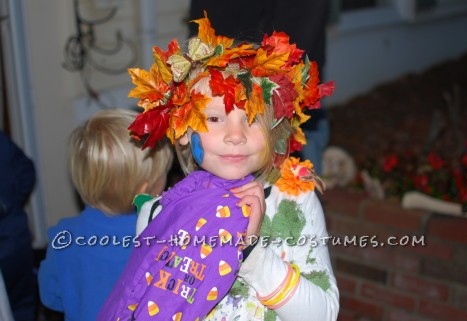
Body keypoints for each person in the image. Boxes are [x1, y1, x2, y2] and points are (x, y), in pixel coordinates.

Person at [98, 13, 338, 321]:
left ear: (273, 130)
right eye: (214, 119)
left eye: (251, 119)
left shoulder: (294, 202)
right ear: (184, 130)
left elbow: (324, 315)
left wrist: (251, 253)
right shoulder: (158, 214)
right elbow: (142, 301)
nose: (236, 136)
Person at [38, 109, 174, 321]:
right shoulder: (161, 236)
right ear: (143, 190)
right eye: (163, 174)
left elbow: (50, 296)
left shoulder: (62, 236)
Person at [188, 0, 332, 173]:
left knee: (293, 178)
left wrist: (282, 79)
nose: (236, 136)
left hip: (282, 83)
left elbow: (303, 19)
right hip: (217, 73)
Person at [0, 129, 36, 321]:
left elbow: (26, 170)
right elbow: (26, 170)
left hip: (12, 238)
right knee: (22, 304)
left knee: (20, 302)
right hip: (15, 233)